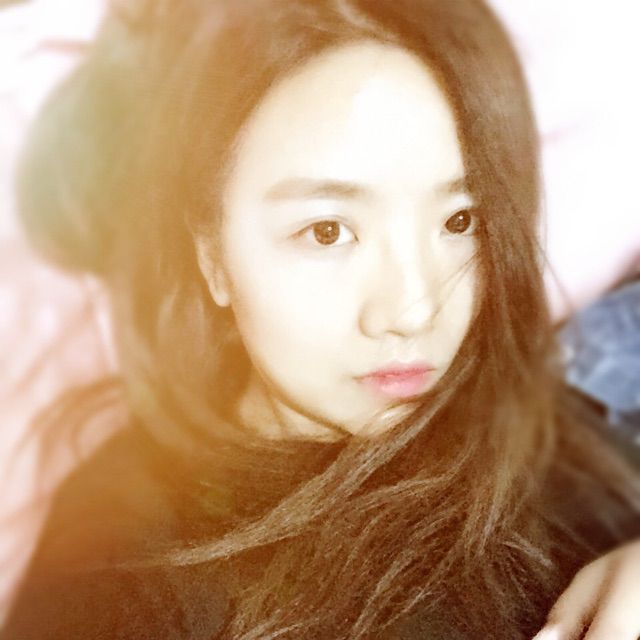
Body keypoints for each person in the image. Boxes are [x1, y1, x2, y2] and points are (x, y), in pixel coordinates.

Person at [2, 0, 640, 638]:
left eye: (459, 221)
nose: (414, 311)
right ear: (212, 253)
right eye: (327, 231)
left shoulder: (524, 410)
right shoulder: (120, 574)